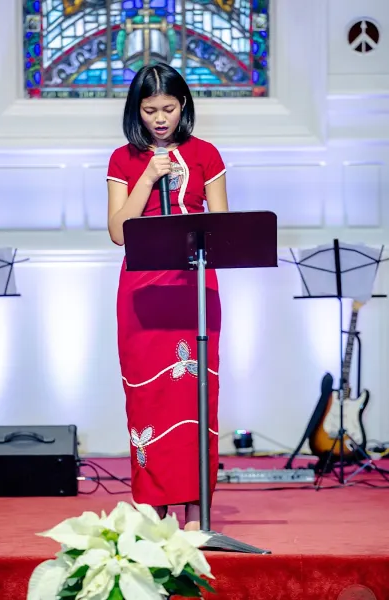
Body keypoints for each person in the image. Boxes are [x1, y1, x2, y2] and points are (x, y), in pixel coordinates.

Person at [106, 62, 228, 531]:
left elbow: (222, 226)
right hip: (142, 290)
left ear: (184, 107)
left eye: (169, 108)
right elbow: (119, 232)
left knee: (196, 397)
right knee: (148, 399)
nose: (160, 118)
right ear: (136, 110)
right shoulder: (123, 159)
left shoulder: (206, 154)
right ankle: (153, 507)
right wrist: (146, 177)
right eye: (150, 109)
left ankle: (197, 507)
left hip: (193, 286)